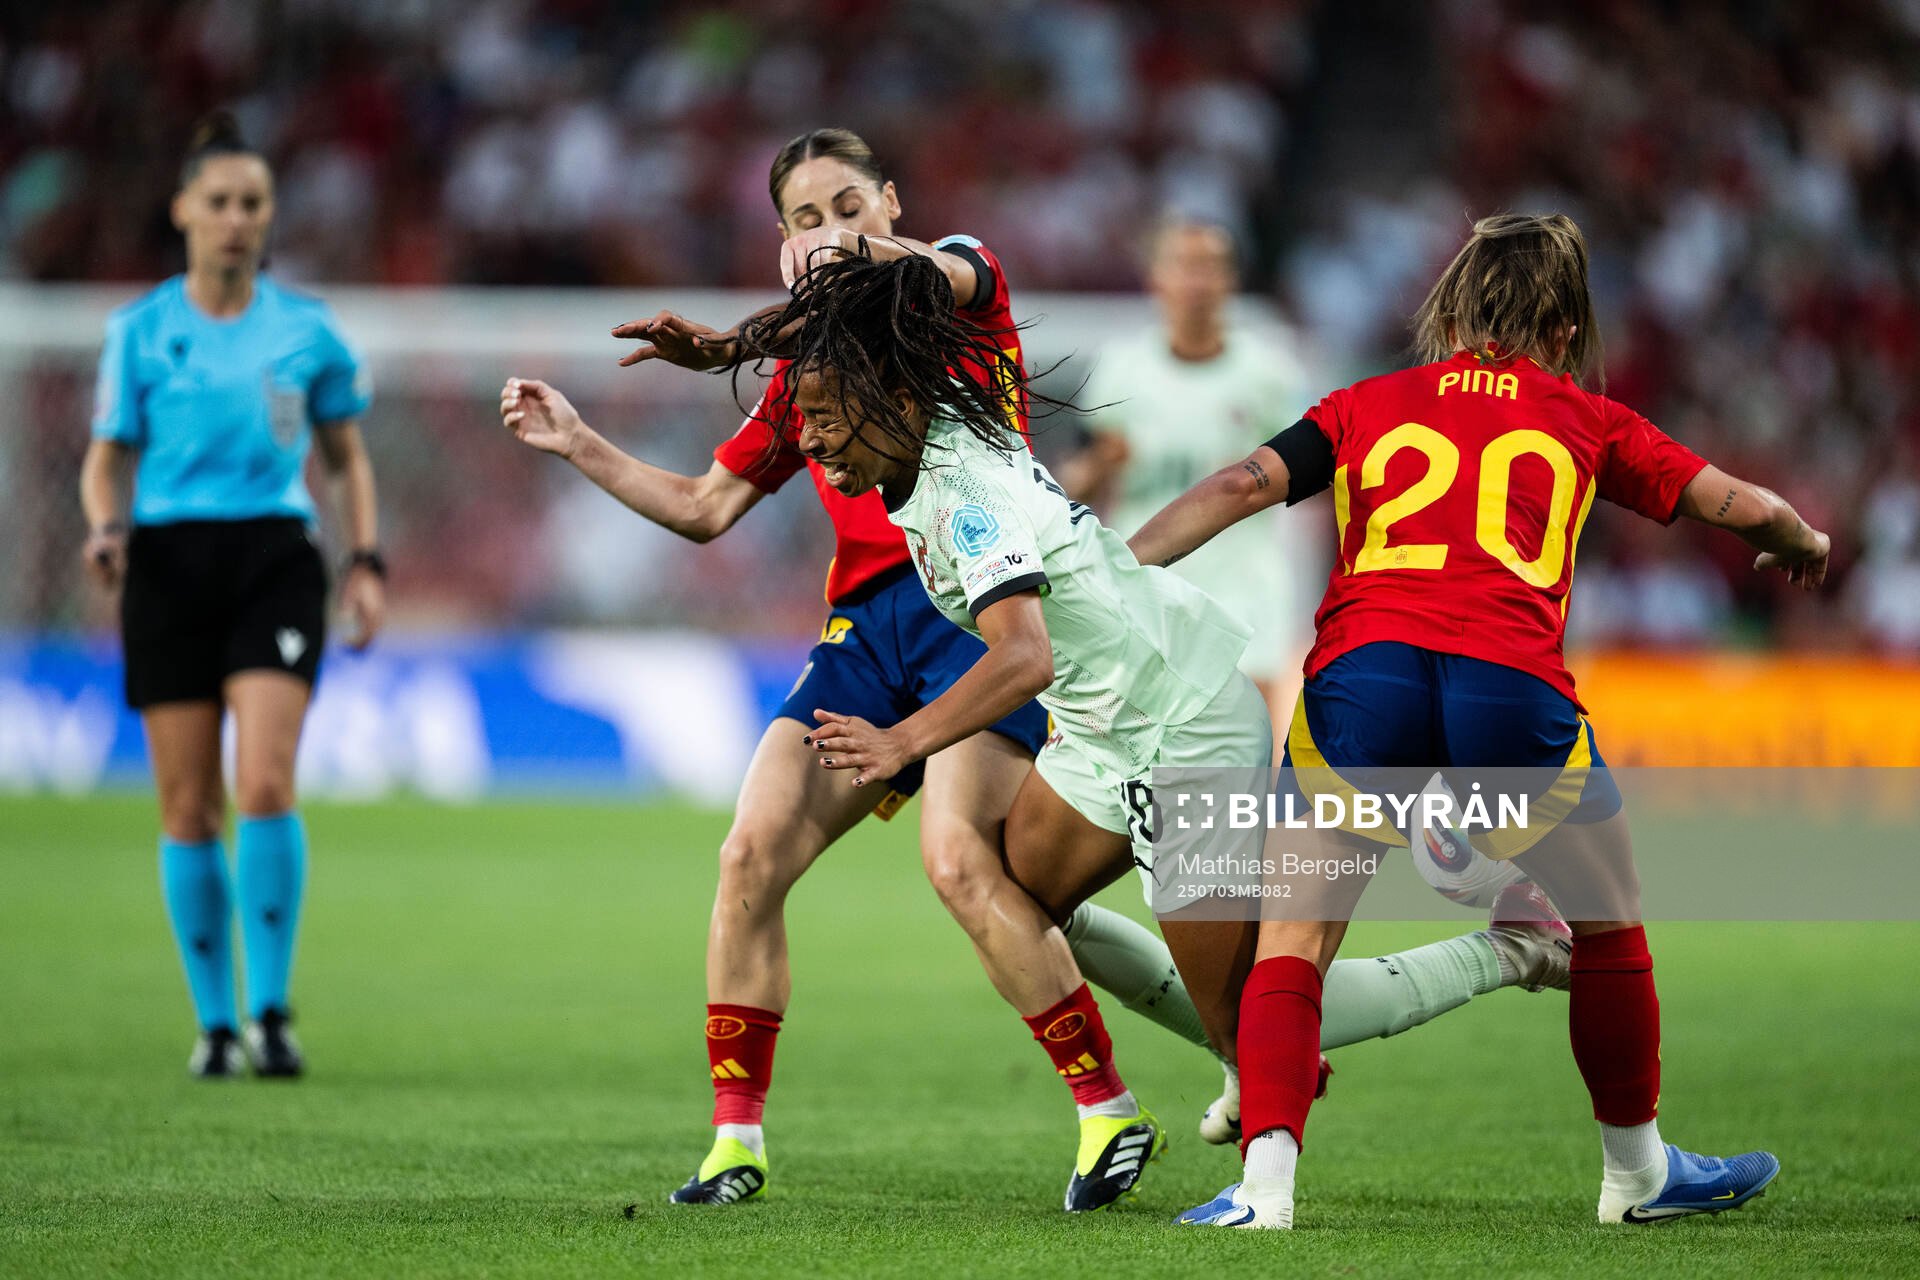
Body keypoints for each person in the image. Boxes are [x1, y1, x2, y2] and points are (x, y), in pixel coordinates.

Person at [502, 130, 1571, 1208]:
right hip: (1031, 689)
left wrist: (904, 741)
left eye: (848, 209)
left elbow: (1020, 641)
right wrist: (669, 391)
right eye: (804, 220)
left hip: (1147, 697)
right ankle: (1133, 1093)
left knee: (1246, 1002)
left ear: (889, 205)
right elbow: (711, 500)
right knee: (986, 886)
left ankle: (1500, 949)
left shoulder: (956, 308)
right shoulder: (839, 396)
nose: (815, 446)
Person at [1127, 213, 1822, 1228]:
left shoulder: (1369, 401)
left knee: (1295, 937)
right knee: (1610, 920)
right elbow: (1736, 503)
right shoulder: (1591, 418)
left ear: (1454, 308)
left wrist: (1116, 570)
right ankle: (1636, 1173)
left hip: (1365, 681)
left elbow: (1242, 483)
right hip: (1512, 687)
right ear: (1566, 325)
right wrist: (1798, 534)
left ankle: (1262, 1187)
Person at [77, 112, 384, 1080]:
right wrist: (106, 529)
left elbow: (345, 456)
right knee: (187, 806)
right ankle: (213, 1023)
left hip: (273, 556)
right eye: (218, 201)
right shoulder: (139, 333)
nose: (236, 219)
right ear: (184, 210)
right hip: (166, 560)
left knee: (262, 782)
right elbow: (104, 460)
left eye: (252, 202)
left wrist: (366, 558)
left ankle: (272, 1009)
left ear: (268, 214)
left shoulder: (307, 330)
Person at [1058, 218, 1318, 724]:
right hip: (1151, 582)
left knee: (1251, 734)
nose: (1198, 282)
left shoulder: (1270, 374)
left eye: (1212, 267)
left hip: (1244, 579)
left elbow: (1315, 482)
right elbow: (1072, 485)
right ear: (1157, 278)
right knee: (1146, 743)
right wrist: (1098, 464)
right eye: (1185, 266)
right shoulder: (1121, 370)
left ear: (1232, 281)